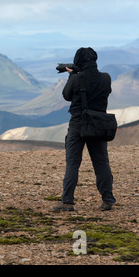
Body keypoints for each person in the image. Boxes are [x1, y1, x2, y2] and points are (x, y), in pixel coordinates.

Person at [53, 47, 117, 212]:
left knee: (73, 163)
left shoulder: (76, 78)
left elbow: (66, 95)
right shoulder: (106, 78)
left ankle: (67, 202)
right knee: (101, 162)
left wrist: (73, 75)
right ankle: (108, 200)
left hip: (78, 124)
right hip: (99, 124)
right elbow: (104, 92)